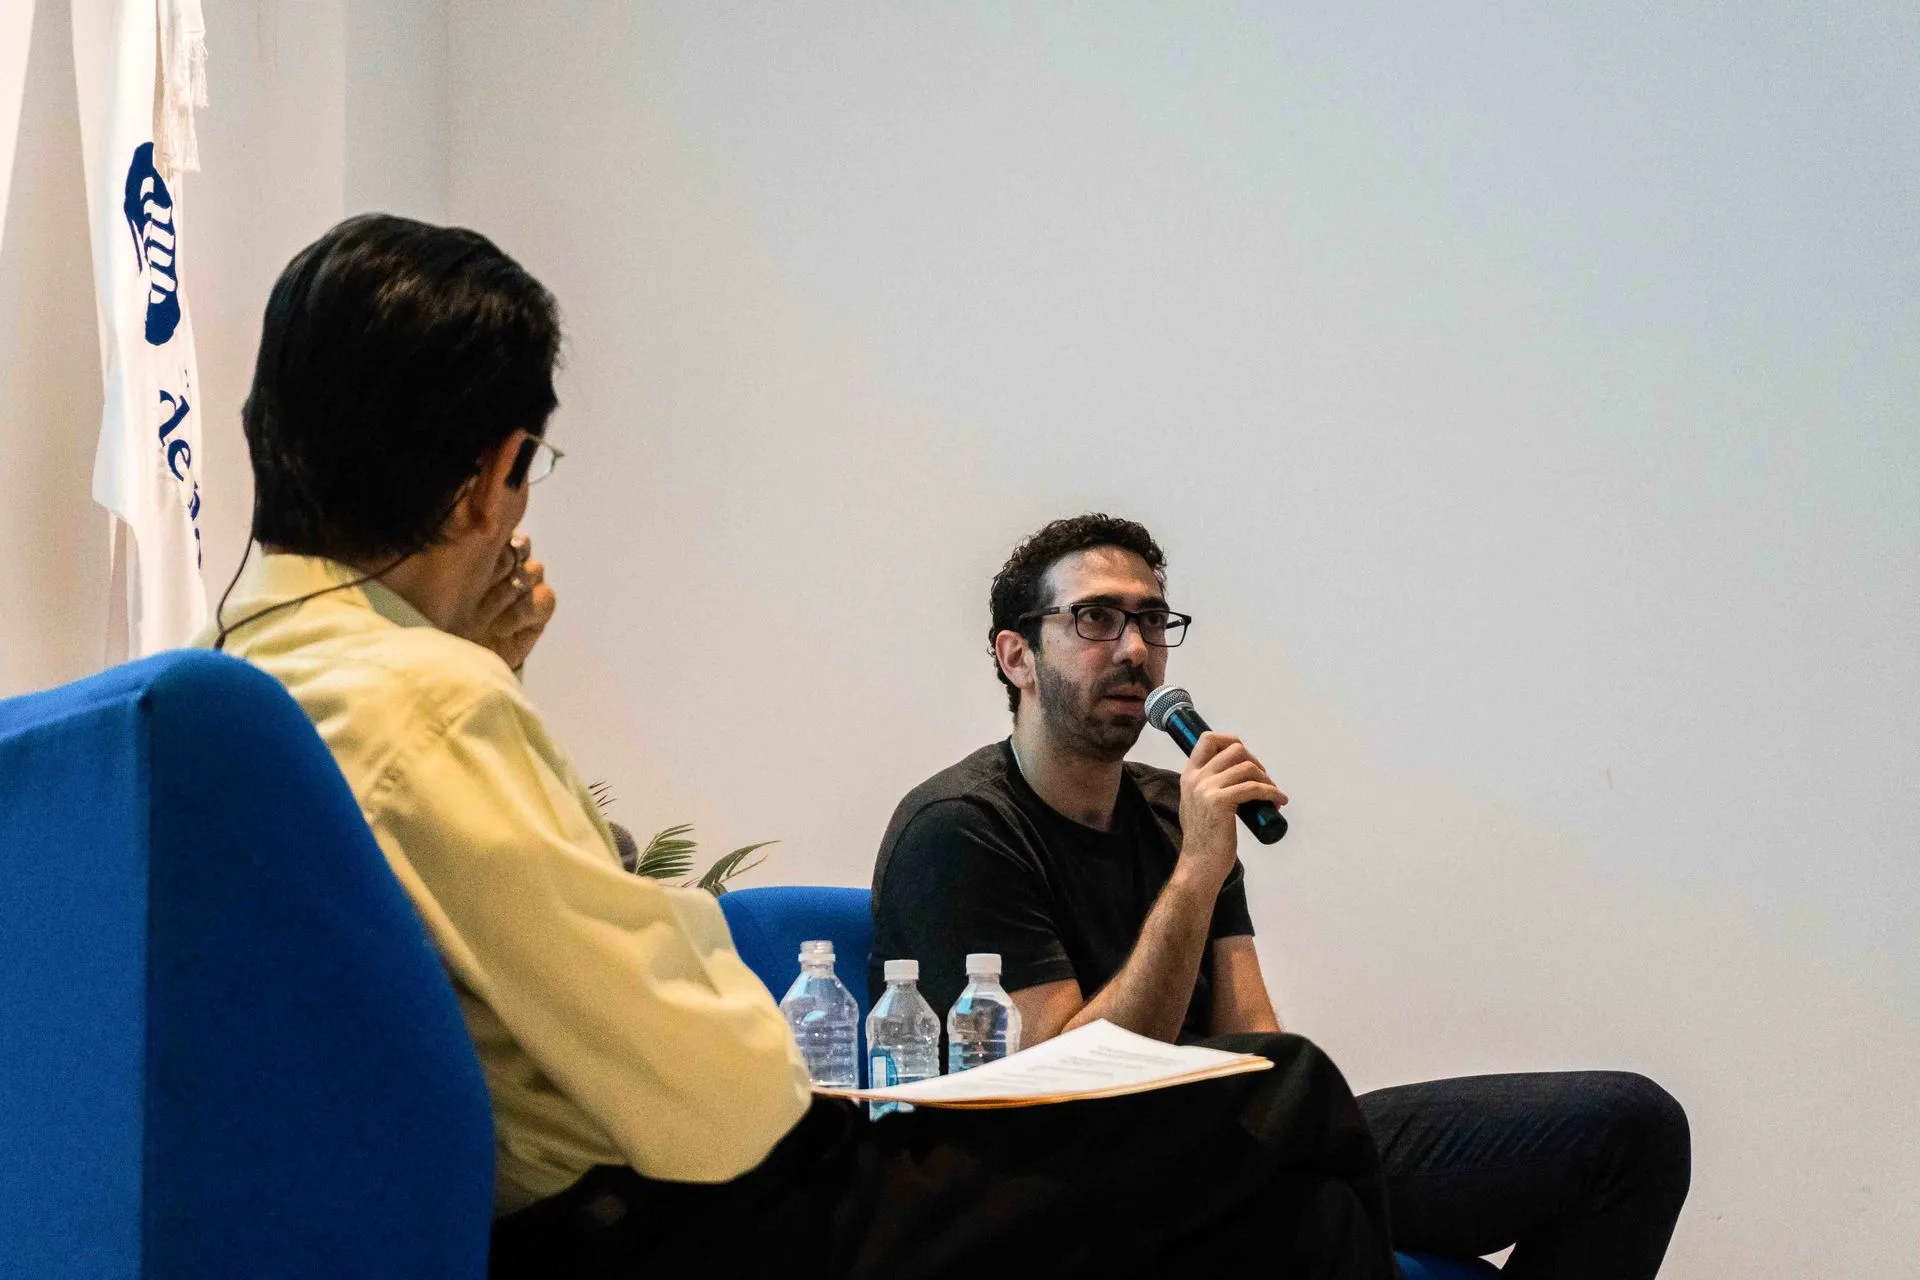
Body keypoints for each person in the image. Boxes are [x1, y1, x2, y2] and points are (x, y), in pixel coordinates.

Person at [201, 215, 1405, 1279]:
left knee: (1293, 1209)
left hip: (568, 1204)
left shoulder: (250, 676)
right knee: (1288, 1095)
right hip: (686, 1222)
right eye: (528, 473)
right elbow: (713, 1096)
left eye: (1150, 620)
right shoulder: (432, 702)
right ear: (487, 479)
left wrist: (476, 656)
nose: (1133, 647)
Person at [871, 513, 1694, 1280]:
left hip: (1228, 1147)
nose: (1135, 649)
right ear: (1017, 656)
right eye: (1096, 619)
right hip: (1071, 1182)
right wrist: (1196, 875)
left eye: (1152, 620)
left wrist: (1203, 860)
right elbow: (1069, 1092)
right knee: (1306, 1169)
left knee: (1632, 1128)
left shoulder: (1177, 808)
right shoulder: (960, 830)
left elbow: (1256, 1045)